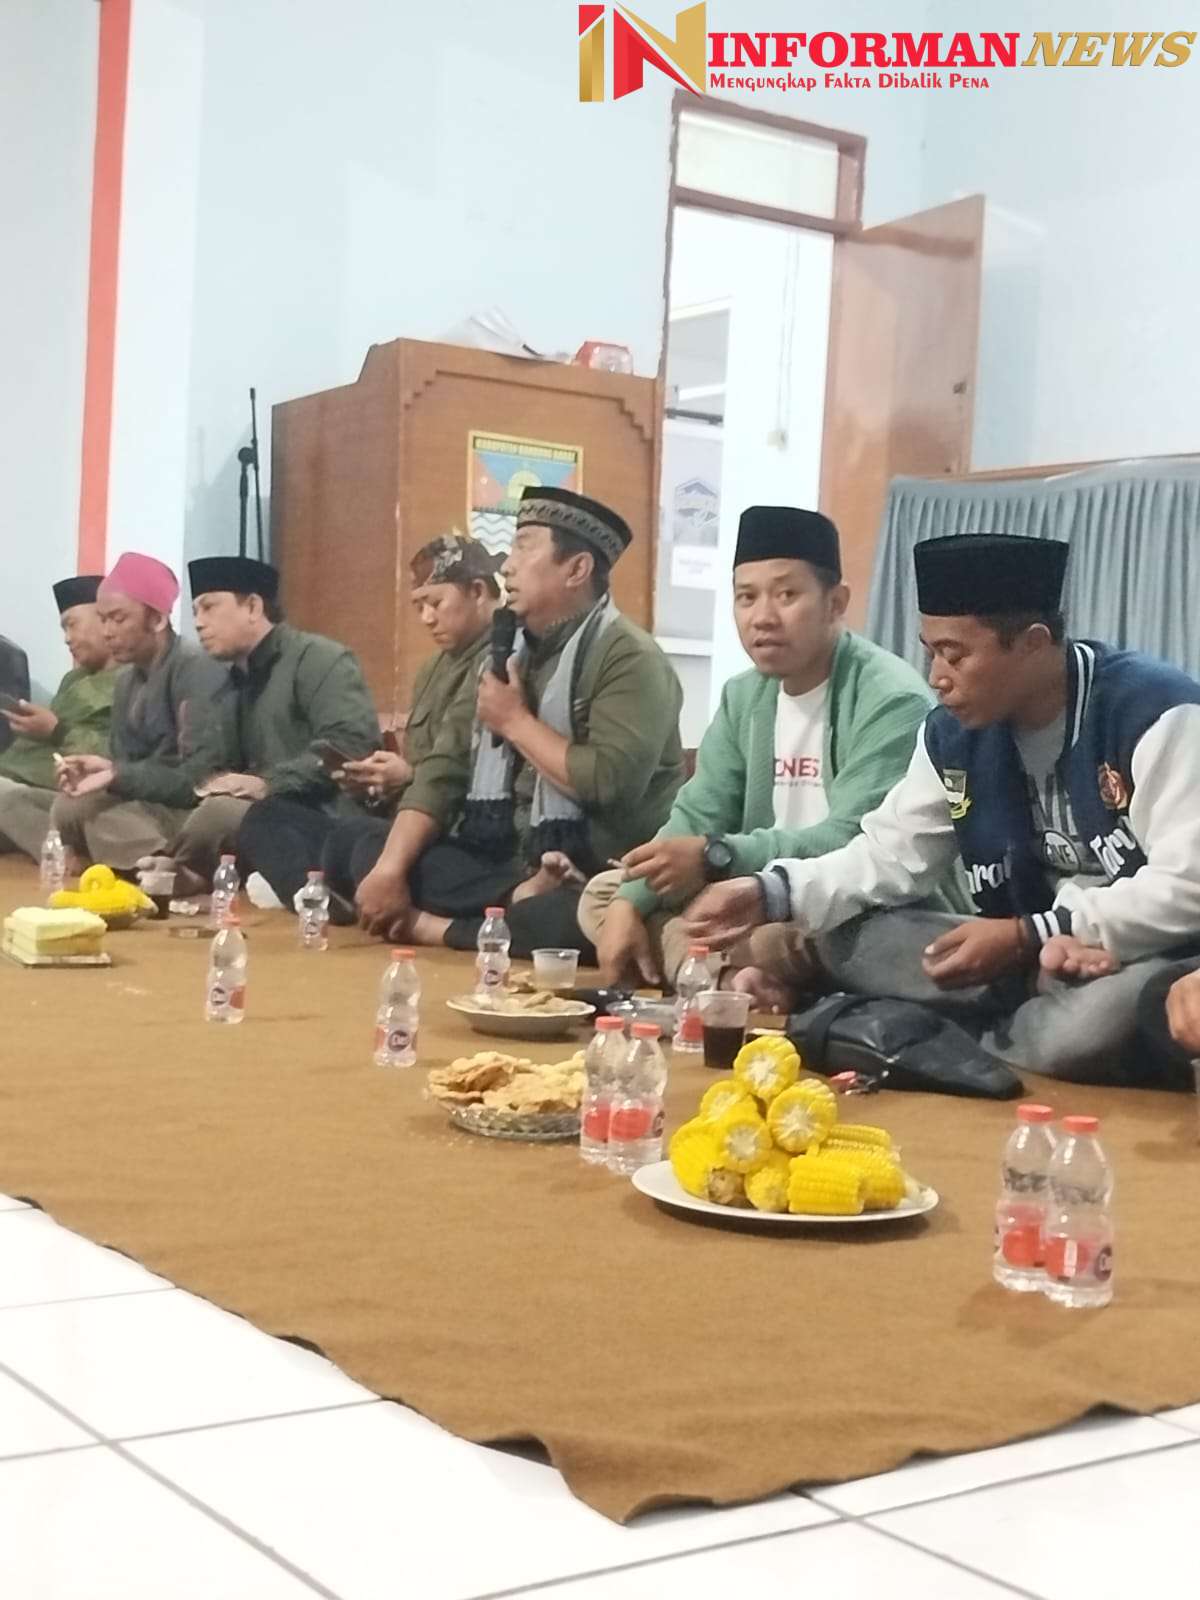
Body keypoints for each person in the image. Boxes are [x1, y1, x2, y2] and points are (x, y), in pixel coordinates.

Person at [685, 533, 1200, 1084]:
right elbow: (889, 856)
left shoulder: (1153, 712)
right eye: (929, 653)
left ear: (1032, 643)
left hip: (1145, 953)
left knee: (1090, 1024)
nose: (936, 678)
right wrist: (769, 891)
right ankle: (1010, 1018)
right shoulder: (951, 735)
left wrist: (1032, 934)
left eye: (955, 655)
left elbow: (1188, 884)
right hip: (1025, 958)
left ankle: (946, 1036)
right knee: (850, 937)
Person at [578, 505, 947, 987]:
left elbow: (854, 841)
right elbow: (699, 813)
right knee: (605, 895)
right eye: (746, 597)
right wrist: (630, 903)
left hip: (844, 901)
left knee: (801, 936)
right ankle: (732, 977)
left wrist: (718, 855)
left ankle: (715, 971)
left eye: (787, 594)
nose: (763, 617)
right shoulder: (744, 696)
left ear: (836, 602)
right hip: (750, 889)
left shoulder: (891, 698)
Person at [354, 485, 685, 956]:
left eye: (524, 547)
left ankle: (438, 926)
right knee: (364, 844)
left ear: (577, 569)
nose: (507, 566)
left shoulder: (630, 658)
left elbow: (609, 781)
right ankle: (510, 902)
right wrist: (390, 869)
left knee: (565, 918)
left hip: (592, 869)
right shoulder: (507, 649)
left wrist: (514, 722)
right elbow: (444, 769)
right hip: (506, 861)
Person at [238, 534, 501, 915]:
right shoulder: (433, 669)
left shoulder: (500, 660)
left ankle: (322, 892)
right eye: (419, 606)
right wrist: (379, 783)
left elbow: (458, 777)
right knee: (267, 816)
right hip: (405, 822)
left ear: (477, 591)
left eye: (435, 603)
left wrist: (408, 777)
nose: (426, 618)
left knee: (358, 841)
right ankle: (317, 897)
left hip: (458, 835)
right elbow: (420, 771)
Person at [137, 553, 380, 894]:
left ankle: (180, 868)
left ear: (253, 607)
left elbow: (349, 745)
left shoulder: (320, 659)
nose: (199, 623)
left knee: (220, 812)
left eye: (209, 607)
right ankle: (183, 869)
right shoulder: (228, 681)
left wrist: (267, 784)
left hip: (320, 815)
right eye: (195, 612)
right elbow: (210, 769)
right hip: (256, 817)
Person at [51, 553, 227, 870]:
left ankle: (166, 869)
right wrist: (101, 770)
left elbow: (200, 779)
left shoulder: (196, 669)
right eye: (102, 619)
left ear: (157, 620)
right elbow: (126, 767)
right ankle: (138, 862)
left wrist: (119, 775)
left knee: (97, 817)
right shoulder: (126, 680)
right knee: (69, 805)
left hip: (185, 809)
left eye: (118, 619)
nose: (107, 632)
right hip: (142, 806)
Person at [0, 576, 119, 860]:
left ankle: (65, 858)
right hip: (18, 777)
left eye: (72, 624)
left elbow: (121, 757)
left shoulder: (134, 681)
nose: (67, 638)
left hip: (65, 792)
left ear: (104, 619)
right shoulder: (73, 679)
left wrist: (56, 730)